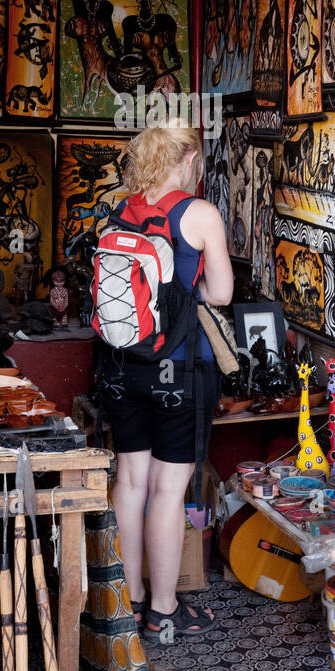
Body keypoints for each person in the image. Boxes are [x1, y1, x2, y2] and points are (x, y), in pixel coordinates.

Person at [106, 122, 233, 639]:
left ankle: (128, 601)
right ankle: (162, 609)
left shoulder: (119, 208)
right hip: (177, 369)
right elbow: (221, 292)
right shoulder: (197, 213)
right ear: (188, 160)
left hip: (119, 369)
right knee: (167, 490)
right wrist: (189, 290)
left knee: (130, 482)